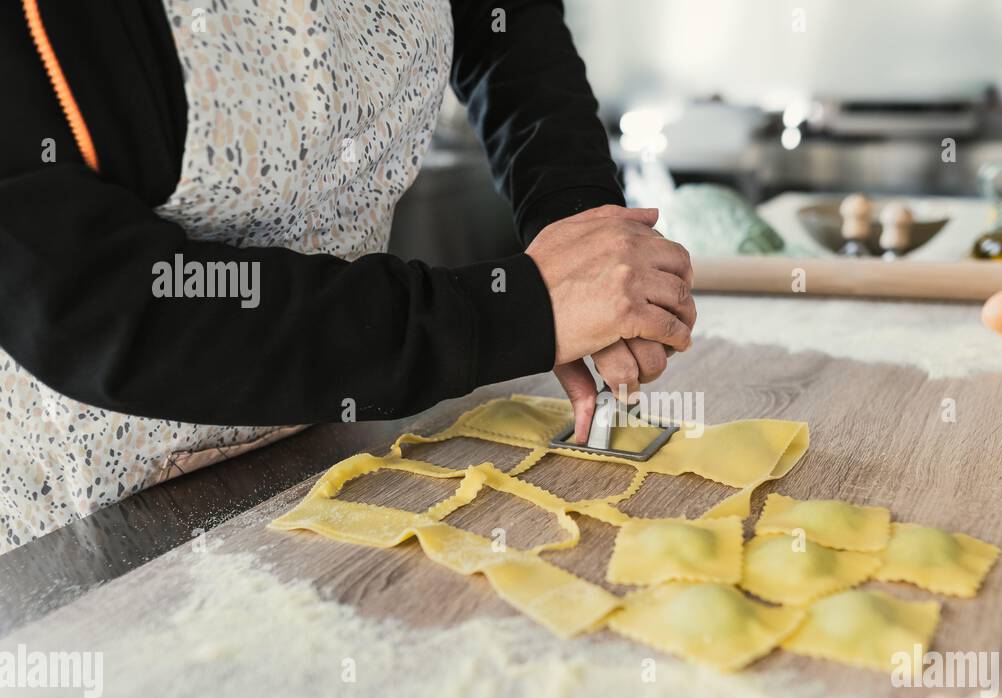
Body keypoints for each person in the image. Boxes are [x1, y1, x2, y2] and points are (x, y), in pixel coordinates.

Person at [0, 0, 695, 553]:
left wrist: (578, 234)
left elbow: (506, 25)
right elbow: (93, 307)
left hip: (335, 453)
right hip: (89, 522)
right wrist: (511, 315)